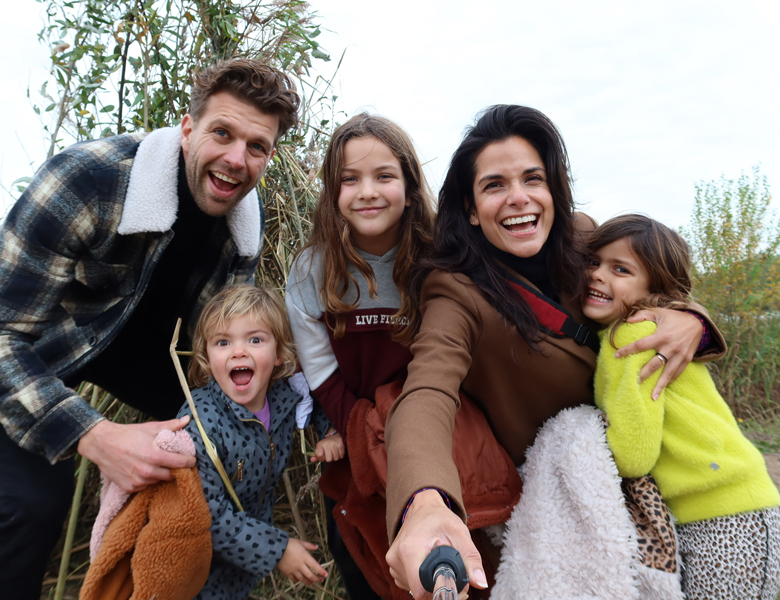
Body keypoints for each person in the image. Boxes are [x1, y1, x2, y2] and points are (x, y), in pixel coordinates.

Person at [383, 105, 726, 599]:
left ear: (553, 189)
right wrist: (425, 501)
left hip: (670, 472)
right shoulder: (456, 291)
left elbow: (657, 283)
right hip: (565, 498)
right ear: (472, 208)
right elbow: (426, 393)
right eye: (494, 185)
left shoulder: (585, 238)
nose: (518, 198)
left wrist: (692, 320)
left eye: (532, 178)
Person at [0, 58, 300, 599]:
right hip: (35, 354)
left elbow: (216, 362)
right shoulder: (87, 180)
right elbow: (2, 333)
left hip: (151, 368)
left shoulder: (242, 235)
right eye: (222, 133)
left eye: (257, 146)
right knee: (32, 503)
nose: (237, 159)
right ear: (187, 130)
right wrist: (96, 435)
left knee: (200, 475)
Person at [583, 214, 780, 600]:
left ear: (653, 286)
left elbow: (633, 455)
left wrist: (587, 433)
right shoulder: (654, 327)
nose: (597, 275)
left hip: (720, 520)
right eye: (593, 262)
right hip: (749, 506)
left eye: (620, 269)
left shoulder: (630, 337)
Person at [285, 113, 435, 599]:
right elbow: (320, 369)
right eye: (350, 179)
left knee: (433, 560)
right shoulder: (313, 270)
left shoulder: (437, 259)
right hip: (351, 437)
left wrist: (405, 433)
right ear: (333, 192)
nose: (367, 191)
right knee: (358, 556)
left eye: (384, 176)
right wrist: (364, 430)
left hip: (429, 435)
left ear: (410, 188)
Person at [179, 284, 340, 599]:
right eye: (223, 342)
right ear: (206, 357)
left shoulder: (283, 395)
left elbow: (318, 400)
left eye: (255, 339)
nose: (239, 352)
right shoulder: (200, 424)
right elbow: (206, 513)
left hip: (244, 548)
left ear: (280, 354)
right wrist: (277, 550)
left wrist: (329, 432)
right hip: (198, 562)